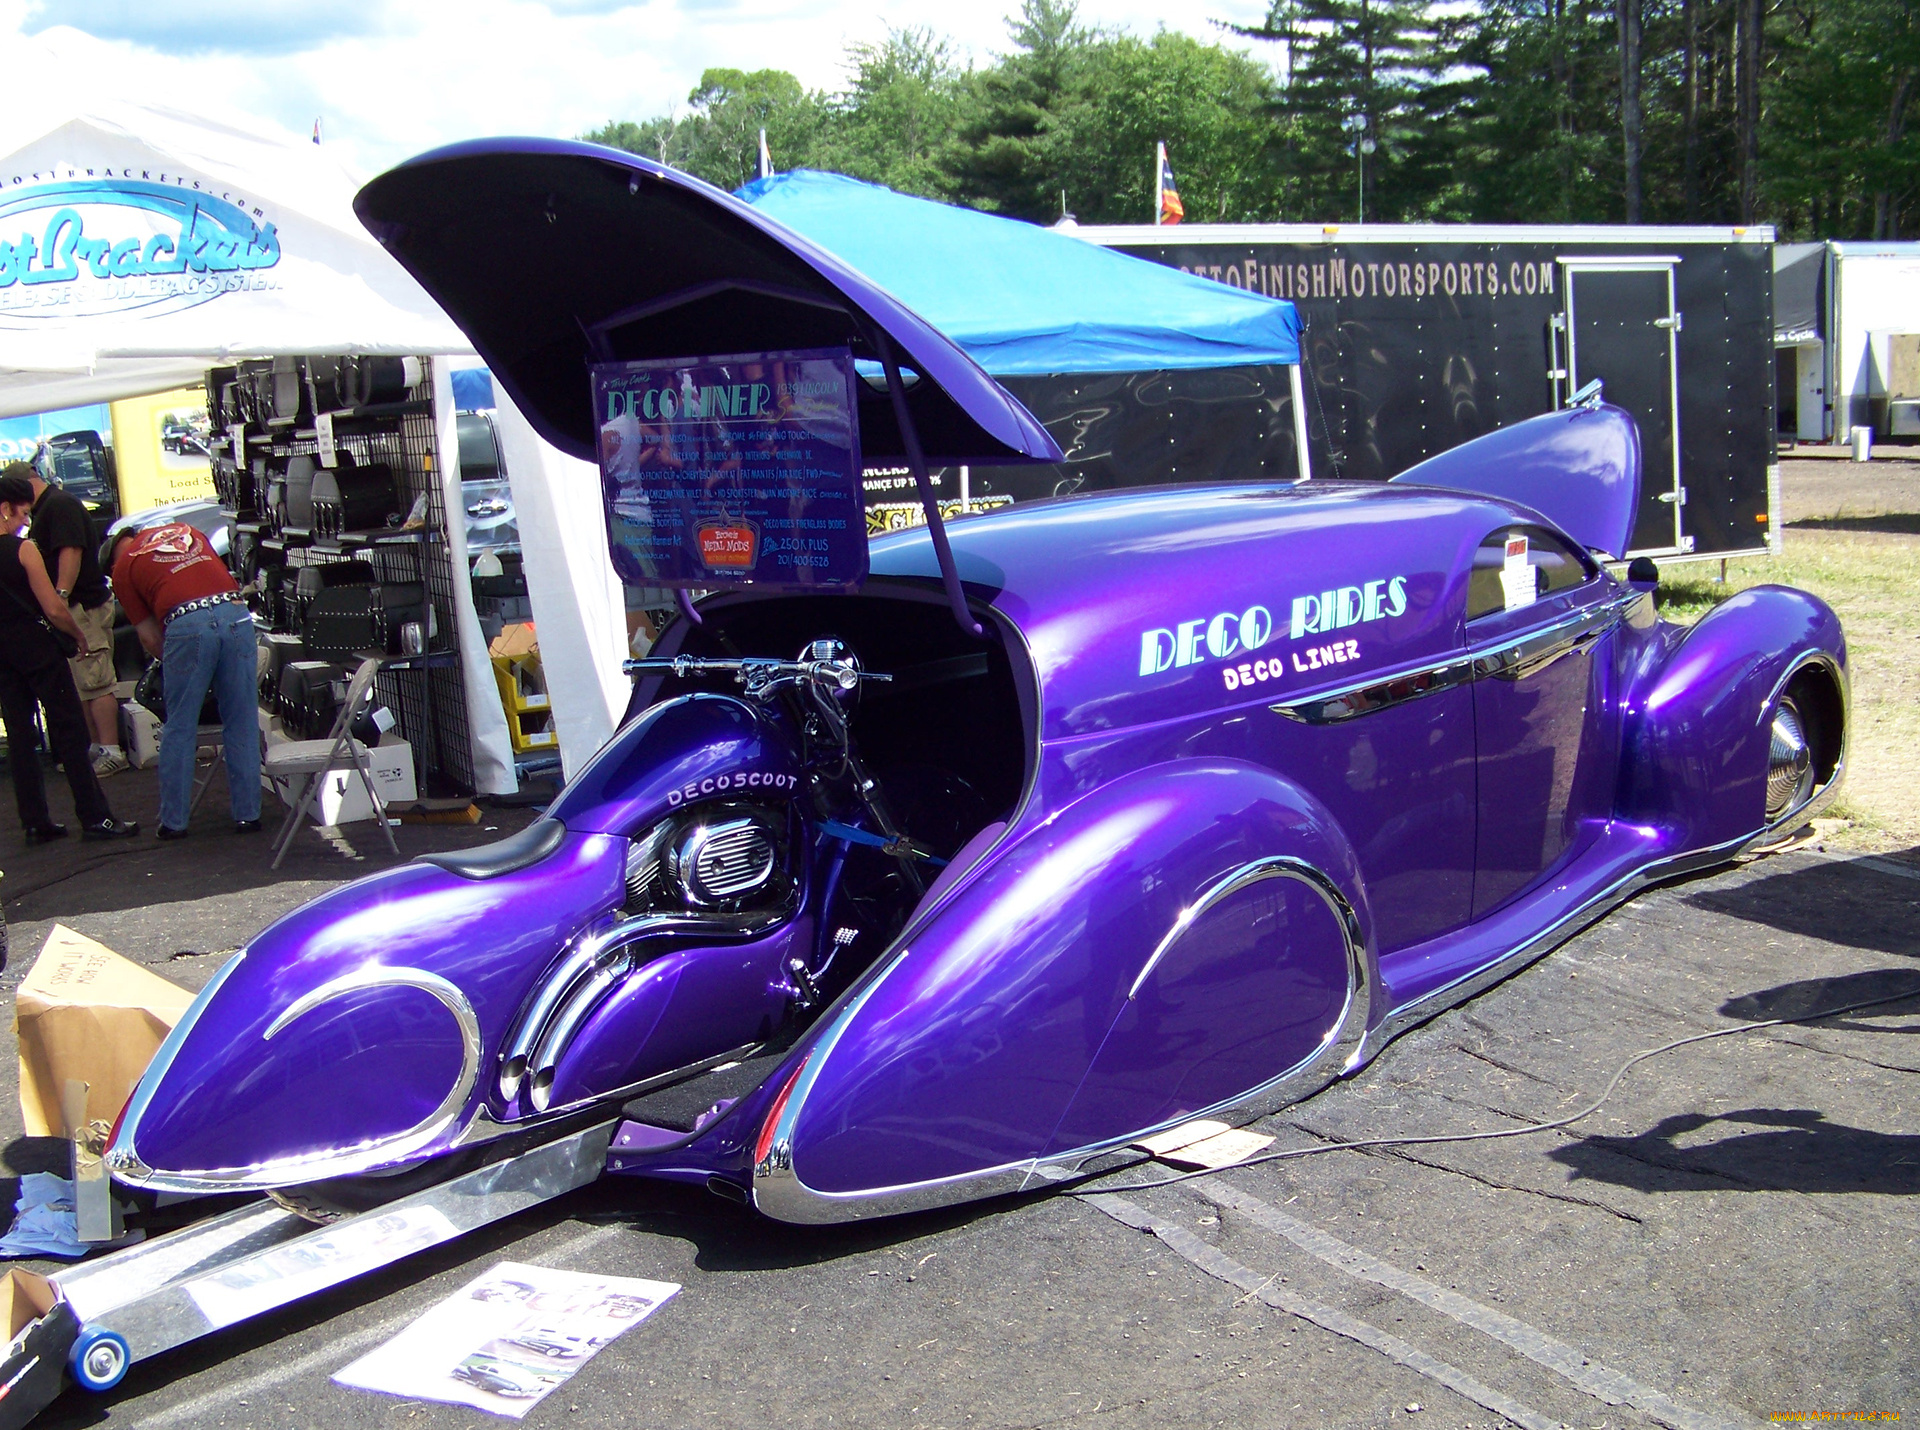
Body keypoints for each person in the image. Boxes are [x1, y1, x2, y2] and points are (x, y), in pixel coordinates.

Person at [0, 474, 137, 844]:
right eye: (22, 513)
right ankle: (94, 816)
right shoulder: (23, 550)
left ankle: (35, 821)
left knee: (20, 738)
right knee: (69, 729)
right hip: (39, 651)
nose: (25, 520)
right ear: (5, 509)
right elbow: (54, 607)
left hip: (4, 656)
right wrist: (77, 635)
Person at [107, 522, 261, 839]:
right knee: (241, 719)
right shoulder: (185, 529)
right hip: (235, 611)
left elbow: (149, 637)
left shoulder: (123, 569)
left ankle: (175, 822)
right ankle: (248, 815)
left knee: (180, 725)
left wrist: (179, 664)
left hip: (186, 622)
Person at [5, 460, 124, 776]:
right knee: (83, 681)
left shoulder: (58, 505)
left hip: (82, 605)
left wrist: (59, 596)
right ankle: (97, 746)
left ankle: (111, 748)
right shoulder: (51, 506)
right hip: (74, 605)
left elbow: (70, 551)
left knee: (96, 677)